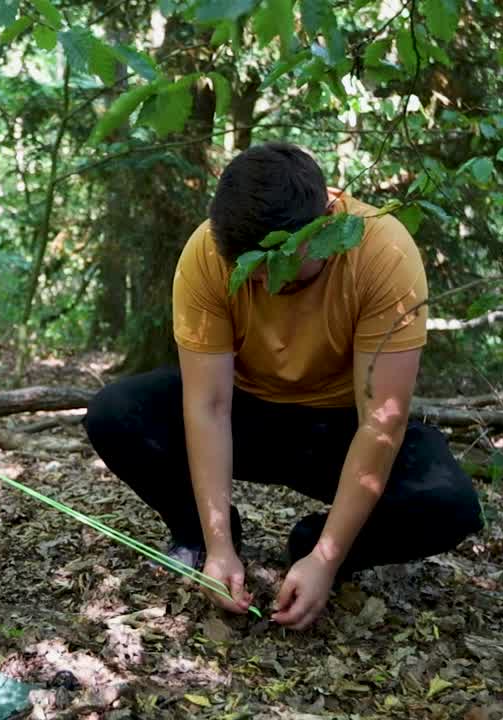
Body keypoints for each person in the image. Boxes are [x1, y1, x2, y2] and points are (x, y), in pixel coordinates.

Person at [84, 142, 482, 631]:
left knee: (451, 504)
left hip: (341, 430)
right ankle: (198, 532)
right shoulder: (206, 252)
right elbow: (207, 406)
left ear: (326, 223)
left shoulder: (383, 251)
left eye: (283, 266)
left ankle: (311, 544)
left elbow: (383, 422)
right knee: (115, 412)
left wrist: (326, 557)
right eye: (252, 270)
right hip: (248, 415)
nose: (270, 286)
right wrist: (218, 546)